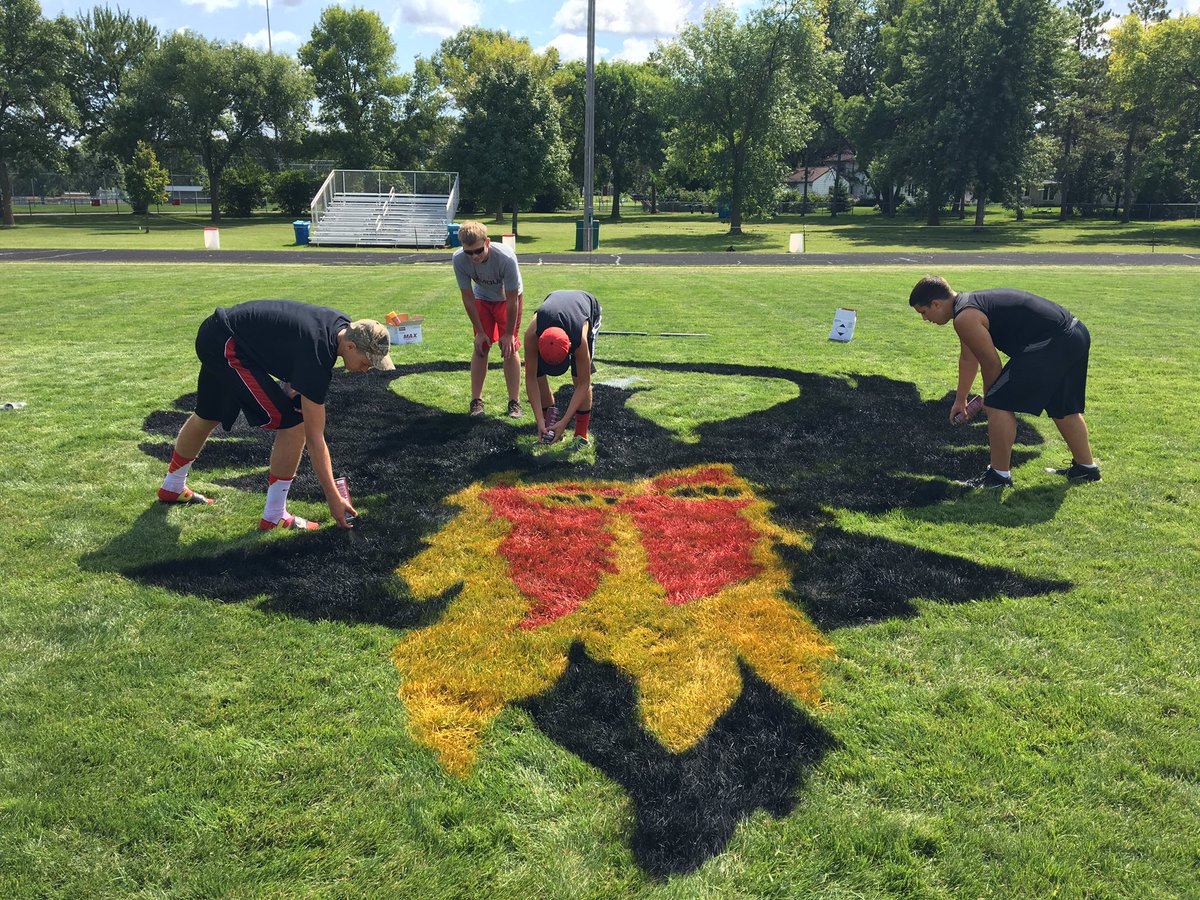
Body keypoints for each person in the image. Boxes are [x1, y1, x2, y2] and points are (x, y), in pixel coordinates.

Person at [157, 299, 395, 530]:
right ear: (351, 347)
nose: (368, 369)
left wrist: (293, 383)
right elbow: (315, 439)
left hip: (217, 333)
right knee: (294, 424)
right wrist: (333, 497)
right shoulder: (319, 354)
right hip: (228, 344)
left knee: (209, 414)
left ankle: (173, 486)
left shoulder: (342, 327)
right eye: (367, 362)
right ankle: (274, 515)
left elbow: (291, 340)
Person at [909, 275, 1100, 490]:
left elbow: (991, 365)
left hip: (1054, 342)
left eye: (924, 313)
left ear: (936, 304)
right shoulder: (965, 310)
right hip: (1075, 334)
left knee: (998, 403)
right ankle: (1087, 469)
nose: (925, 319)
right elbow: (968, 358)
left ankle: (999, 477)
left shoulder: (965, 318)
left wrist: (990, 400)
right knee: (1062, 406)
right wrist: (960, 400)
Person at [452, 220, 524, 418]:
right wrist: (480, 332)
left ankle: (514, 402)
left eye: (478, 251)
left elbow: (511, 300)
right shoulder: (458, 259)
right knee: (481, 346)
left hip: (507, 300)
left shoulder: (506, 258)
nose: (474, 256)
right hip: (482, 298)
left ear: (488, 242)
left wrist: (509, 334)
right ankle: (476, 401)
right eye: (469, 252)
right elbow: (467, 297)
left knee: (509, 349)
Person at [523, 289, 601, 450]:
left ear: (570, 348)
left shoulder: (579, 339)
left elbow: (584, 384)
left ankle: (581, 436)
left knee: (578, 377)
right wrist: (539, 421)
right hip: (554, 298)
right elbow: (530, 379)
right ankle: (548, 427)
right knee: (538, 377)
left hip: (586, 307)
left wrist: (564, 421)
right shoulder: (532, 335)